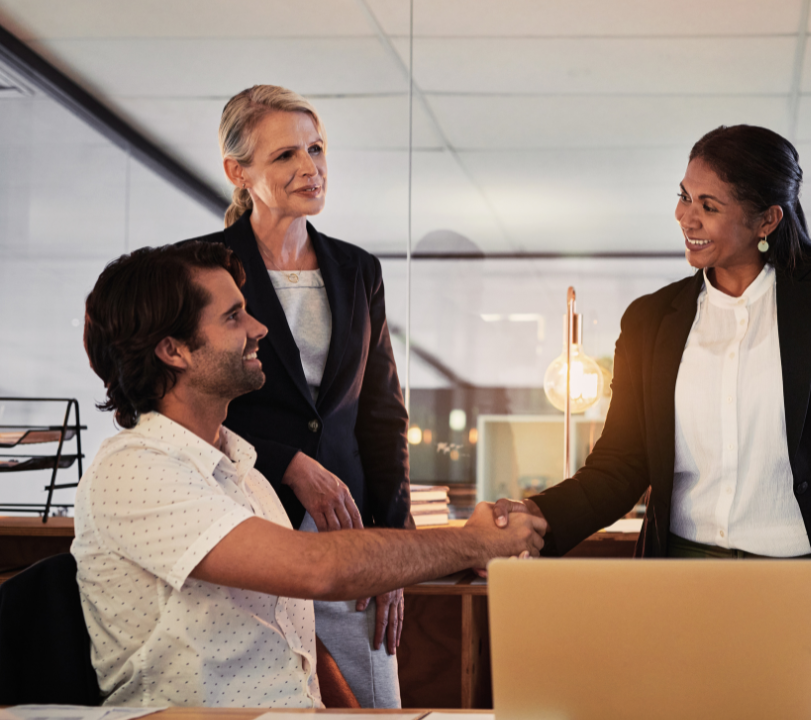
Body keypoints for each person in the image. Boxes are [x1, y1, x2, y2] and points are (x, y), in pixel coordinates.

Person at [492, 124, 811, 668]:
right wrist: (535, 514)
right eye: (682, 195)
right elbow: (620, 466)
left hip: (806, 585)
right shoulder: (652, 320)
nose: (685, 217)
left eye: (708, 205)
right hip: (682, 580)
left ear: (767, 219)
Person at [74, 241, 545, 707]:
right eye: (233, 317)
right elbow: (316, 569)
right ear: (174, 350)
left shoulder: (244, 472)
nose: (259, 328)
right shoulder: (134, 469)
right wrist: (477, 541)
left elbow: (290, 638)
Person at [186, 85, 408, 707]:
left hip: (348, 528)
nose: (309, 167)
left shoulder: (358, 270)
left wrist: (395, 548)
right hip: (243, 521)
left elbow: (382, 414)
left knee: (374, 704)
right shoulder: (197, 269)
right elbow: (181, 407)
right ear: (239, 172)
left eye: (316, 149)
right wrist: (284, 458)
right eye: (285, 155)